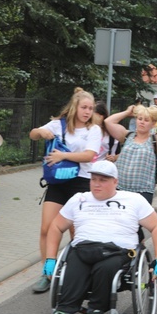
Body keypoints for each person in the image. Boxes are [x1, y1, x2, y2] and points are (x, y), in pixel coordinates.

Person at [42, 160, 157, 314]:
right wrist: (50, 259)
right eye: (93, 179)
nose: (97, 184)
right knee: (74, 265)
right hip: (83, 248)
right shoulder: (79, 199)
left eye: (103, 180)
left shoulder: (133, 200)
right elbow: (55, 227)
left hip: (118, 251)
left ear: (115, 181)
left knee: (106, 268)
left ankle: (96, 311)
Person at [29, 88, 101, 293]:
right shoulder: (59, 124)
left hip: (81, 182)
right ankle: (47, 272)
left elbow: (89, 155)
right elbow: (33, 134)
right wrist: (40, 132)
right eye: (84, 107)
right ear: (75, 107)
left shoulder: (93, 130)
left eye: (90, 108)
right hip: (58, 182)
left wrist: (62, 156)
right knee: (47, 228)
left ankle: (78, 272)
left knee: (76, 231)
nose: (87, 112)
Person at [106, 104, 157, 205]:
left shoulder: (155, 141)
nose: (142, 122)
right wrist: (127, 112)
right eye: (140, 118)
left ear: (153, 124)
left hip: (143, 192)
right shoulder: (127, 135)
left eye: (146, 120)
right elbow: (108, 122)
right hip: (120, 189)